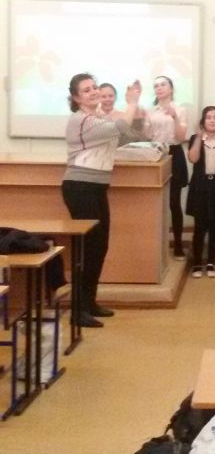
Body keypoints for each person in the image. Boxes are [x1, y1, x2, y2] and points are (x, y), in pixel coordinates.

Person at [61, 73, 143, 327]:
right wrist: (131, 103)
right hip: (80, 187)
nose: (94, 92)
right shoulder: (80, 120)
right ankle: (78, 310)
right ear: (76, 98)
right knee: (87, 248)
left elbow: (129, 135)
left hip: (96, 187)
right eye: (86, 90)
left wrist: (136, 111)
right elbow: (117, 128)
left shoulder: (99, 119)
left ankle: (89, 302)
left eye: (94, 87)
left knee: (100, 246)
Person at [186, 106, 215, 278]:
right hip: (200, 186)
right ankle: (197, 263)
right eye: (208, 117)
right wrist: (199, 136)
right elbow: (193, 158)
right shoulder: (195, 138)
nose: (212, 120)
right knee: (199, 226)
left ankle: (211, 262)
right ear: (203, 121)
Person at [145, 75, 189, 260]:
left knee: (174, 202)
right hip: (155, 152)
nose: (159, 88)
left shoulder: (180, 109)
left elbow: (181, 137)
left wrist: (175, 117)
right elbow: (147, 136)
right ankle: (154, 245)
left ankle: (178, 245)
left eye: (163, 84)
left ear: (171, 88)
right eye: (156, 86)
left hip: (174, 152)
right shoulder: (150, 111)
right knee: (154, 202)